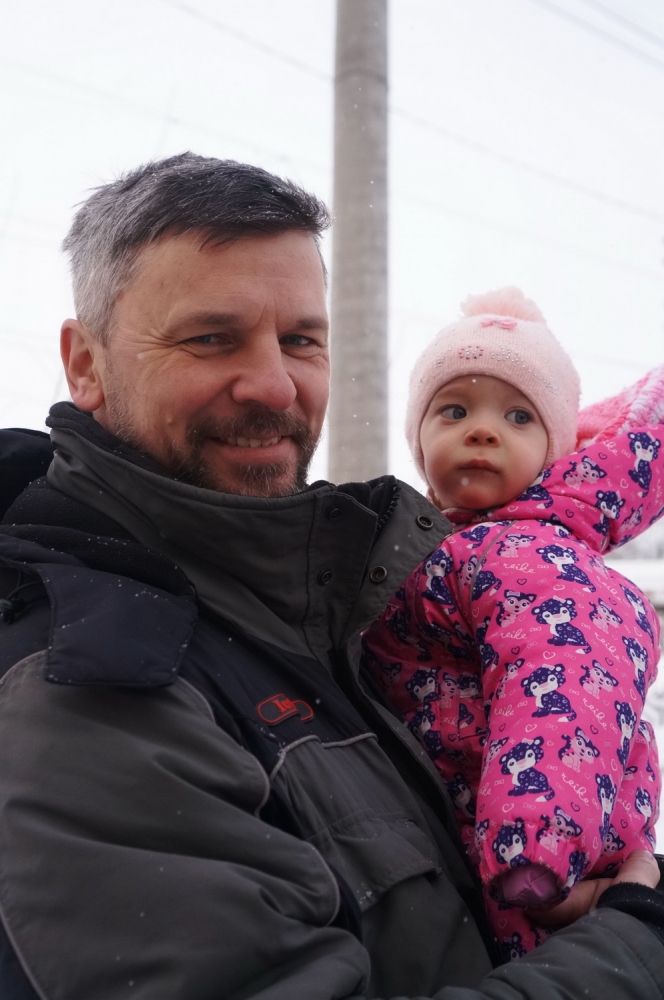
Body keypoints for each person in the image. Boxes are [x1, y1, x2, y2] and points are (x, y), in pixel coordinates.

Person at [0, 155, 662, 1000]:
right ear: (85, 363)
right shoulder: (85, 681)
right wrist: (635, 946)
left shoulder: (328, 613)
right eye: (211, 337)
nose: (275, 385)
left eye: (301, 340)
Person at [362, 287, 663, 958]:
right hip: (471, 844)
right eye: (454, 409)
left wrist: (537, 847)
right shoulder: (443, 548)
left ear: (554, 452)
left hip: (544, 870)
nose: (482, 429)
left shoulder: (534, 554)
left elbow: (566, 685)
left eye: (518, 416)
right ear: (419, 440)